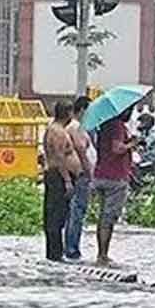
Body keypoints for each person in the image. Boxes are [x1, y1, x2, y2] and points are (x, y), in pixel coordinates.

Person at [93, 107, 137, 266]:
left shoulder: (105, 125)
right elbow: (117, 148)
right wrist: (132, 143)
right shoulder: (117, 125)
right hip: (115, 177)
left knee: (103, 216)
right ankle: (102, 255)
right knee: (108, 218)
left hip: (101, 174)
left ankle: (102, 253)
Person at [43, 101, 79, 262]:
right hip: (58, 176)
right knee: (56, 216)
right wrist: (67, 180)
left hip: (58, 175)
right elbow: (59, 157)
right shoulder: (57, 132)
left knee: (57, 215)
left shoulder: (56, 129)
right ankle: (55, 254)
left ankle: (55, 252)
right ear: (68, 113)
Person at [64, 95, 93, 260]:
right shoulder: (76, 127)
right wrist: (88, 169)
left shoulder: (75, 126)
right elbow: (81, 148)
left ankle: (70, 246)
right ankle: (72, 248)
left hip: (79, 173)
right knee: (77, 211)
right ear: (82, 110)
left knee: (74, 211)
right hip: (80, 174)